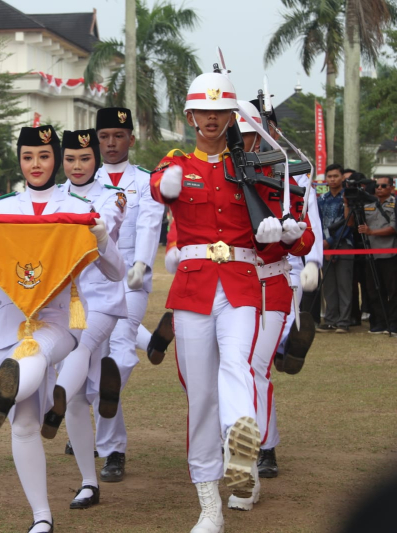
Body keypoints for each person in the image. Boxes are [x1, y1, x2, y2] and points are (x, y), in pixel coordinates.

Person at [0, 125, 125, 533]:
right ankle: (41, 517)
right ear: (20, 160)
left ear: (55, 160)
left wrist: (101, 238)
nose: (36, 165)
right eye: (28, 157)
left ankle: (5, 388)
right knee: (26, 424)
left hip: (60, 319)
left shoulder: (80, 206)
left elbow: (116, 272)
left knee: (34, 355)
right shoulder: (2, 209)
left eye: (44, 157)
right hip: (9, 322)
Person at [149, 71, 287, 533]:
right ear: (190, 117)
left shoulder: (249, 167)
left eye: (220, 111)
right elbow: (158, 186)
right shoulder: (176, 163)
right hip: (192, 287)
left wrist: (273, 233)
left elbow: (274, 235)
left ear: (232, 117)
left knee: (238, 365)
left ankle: (242, 442)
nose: (212, 117)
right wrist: (165, 183)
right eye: (203, 111)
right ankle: (210, 504)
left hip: (242, 283)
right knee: (201, 393)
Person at [235, 101, 314, 501]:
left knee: (256, 366)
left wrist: (288, 235)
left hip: (270, 284)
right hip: (232, 282)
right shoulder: (222, 172)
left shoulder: (283, 175)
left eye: (247, 129)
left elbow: (306, 240)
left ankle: (263, 446)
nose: (241, 137)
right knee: (236, 367)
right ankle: (241, 438)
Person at [52, 128, 127, 509]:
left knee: (80, 349)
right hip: (63, 303)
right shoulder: (53, 198)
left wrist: (95, 233)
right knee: (81, 396)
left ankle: (55, 402)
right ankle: (88, 482)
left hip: (102, 300)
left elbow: (108, 238)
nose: (77, 166)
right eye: (70, 159)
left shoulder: (111, 198)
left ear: (96, 159)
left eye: (84, 158)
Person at [93, 106, 164, 482]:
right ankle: (109, 443)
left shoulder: (146, 181)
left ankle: (112, 451)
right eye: (104, 136)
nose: (110, 142)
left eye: (118, 135)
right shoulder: (85, 179)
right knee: (92, 358)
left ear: (130, 139)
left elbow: (152, 223)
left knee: (117, 357)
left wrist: (143, 264)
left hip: (130, 280)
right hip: (92, 282)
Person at [357, 176, 397, 335]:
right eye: (377, 185)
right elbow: (354, 224)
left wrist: (371, 232)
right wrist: (349, 204)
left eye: (383, 185)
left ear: (391, 188)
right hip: (371, 254)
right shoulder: (368, 205)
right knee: (373, 290)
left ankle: (394, 323)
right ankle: (380, 322)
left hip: (390, 254)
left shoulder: (394, 204)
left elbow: (393, 228)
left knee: (393, 291)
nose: (379, 188)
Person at [318, 163, 354, 333]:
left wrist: (330, 241)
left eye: (335, 176)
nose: (332, 179)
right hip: (324, 246)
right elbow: (317, 223)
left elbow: (348, 224)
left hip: (344, 244)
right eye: (329, 176)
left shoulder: (347, 198)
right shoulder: (321, 199)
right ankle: (331, 320)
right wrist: (323, 242)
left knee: (344, 284)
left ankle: (344, 322)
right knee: (329, 284)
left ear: (342, 178)